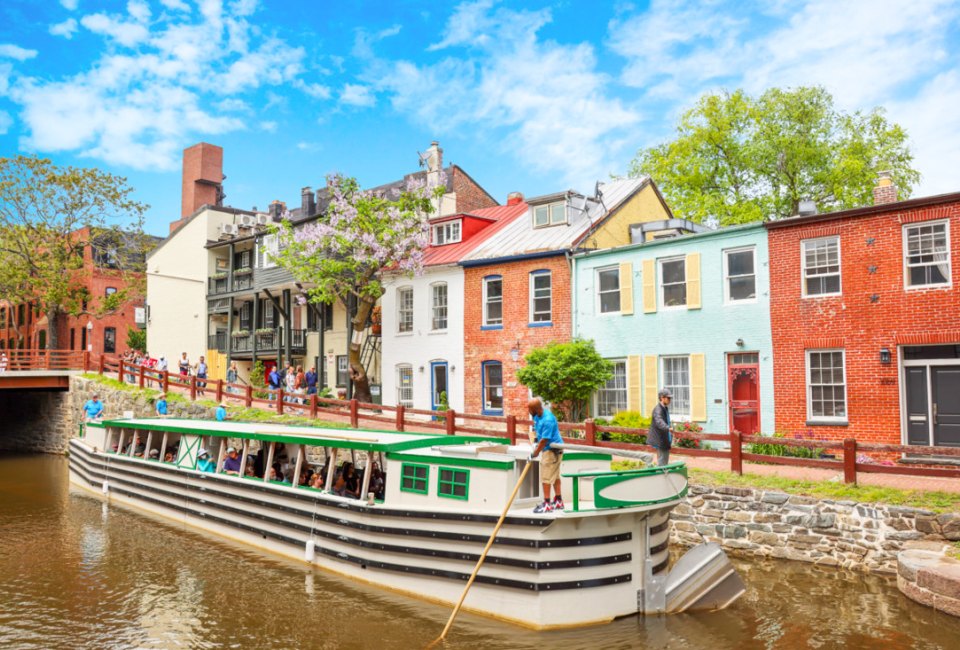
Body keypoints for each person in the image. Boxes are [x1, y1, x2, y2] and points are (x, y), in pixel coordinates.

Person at [528, 398, 564, 513]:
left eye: (529, 409)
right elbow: (538, 433)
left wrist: (535, 453)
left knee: (546, 477)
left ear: (535, 409)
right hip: (548, 448)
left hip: (552, 450)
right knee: (555, 476)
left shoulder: (548, 419)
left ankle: (547, 504)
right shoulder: (537, 416)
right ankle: (558, 501)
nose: (528, 411)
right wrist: (535, 442)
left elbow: (545, 439)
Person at [648, 389, 674, 467]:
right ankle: (661, 477)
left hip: (664, 438)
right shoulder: (658, 410)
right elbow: (659, 421)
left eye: (670, 398)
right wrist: (668, 428)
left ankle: (663, 476)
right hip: (660, 439)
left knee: (664, 461)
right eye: (668, 398)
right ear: (662, 398)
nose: (670, 400)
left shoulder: (664, 408)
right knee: (662, 462)